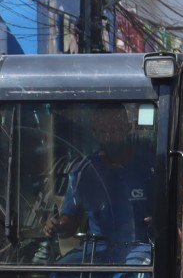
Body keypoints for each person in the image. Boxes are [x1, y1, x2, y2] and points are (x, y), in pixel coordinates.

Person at [50, 102, 155, 257]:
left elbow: (165, 214)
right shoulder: (84, 171)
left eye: (115, 130)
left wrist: (158, 221)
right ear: (94, 133)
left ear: (127, 128)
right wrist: (58, 226)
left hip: (139, 250)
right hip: (97, 250)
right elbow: (71, 221)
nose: (109, 136)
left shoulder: (149, 168)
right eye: (103, 131)